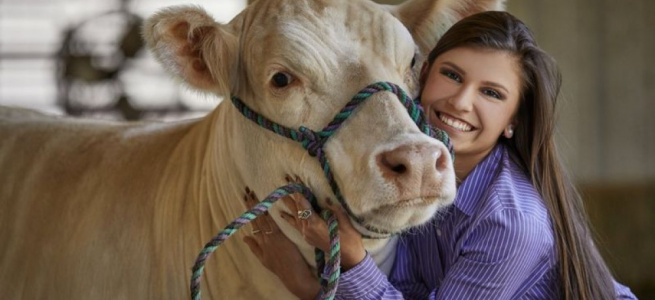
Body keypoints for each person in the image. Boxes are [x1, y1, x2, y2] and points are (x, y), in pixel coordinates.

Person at [242, 11, 637, 300]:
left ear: (512, 119)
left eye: (492, 93)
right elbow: (408, 291)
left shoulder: (512, 222)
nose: (462, 102)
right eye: (452, 75)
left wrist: (317, 277)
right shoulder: (411, 164)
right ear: (421, 73)